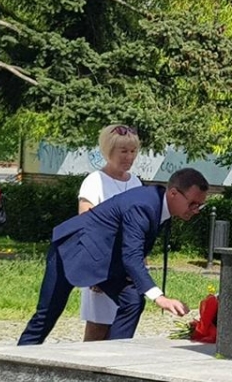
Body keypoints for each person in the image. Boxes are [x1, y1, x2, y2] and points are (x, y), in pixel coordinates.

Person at [18, 168, 208, 345]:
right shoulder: (144, 205)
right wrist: (160, 298)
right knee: (46, 316)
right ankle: (14, 362)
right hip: (72, 250)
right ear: (173, 193)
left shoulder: (158, 204)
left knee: (133, 300)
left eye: (200, 205)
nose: (196, 210)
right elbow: (132, 256)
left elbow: (129, 247)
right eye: (193, 203)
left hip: (105, 261)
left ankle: (114, 353)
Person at [78, 125, 142, 341]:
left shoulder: (135, 182)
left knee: (122, 325)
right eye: (123, 151)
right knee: (98, 327)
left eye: (132, 151)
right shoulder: (94, 181)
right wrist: (94, 270)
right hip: (102, 264)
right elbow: (86, 226)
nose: (129, 157)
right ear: (109, 151)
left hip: (127, 265)